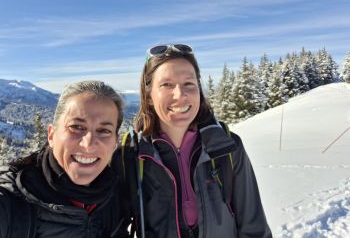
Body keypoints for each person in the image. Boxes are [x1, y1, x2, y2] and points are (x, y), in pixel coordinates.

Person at [122, 44, 272, 238]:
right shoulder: (132, 155)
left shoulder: (226, 146)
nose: (180, 95)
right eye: (166, 85)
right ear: (149, 95)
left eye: (189, 84)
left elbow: (254, 228)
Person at [0, 80, 132, 238]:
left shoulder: (116, 199)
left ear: (115, 142)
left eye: (104, 130)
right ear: (51, 135)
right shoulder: (11, 204)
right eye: (76, 127)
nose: (88, 144)